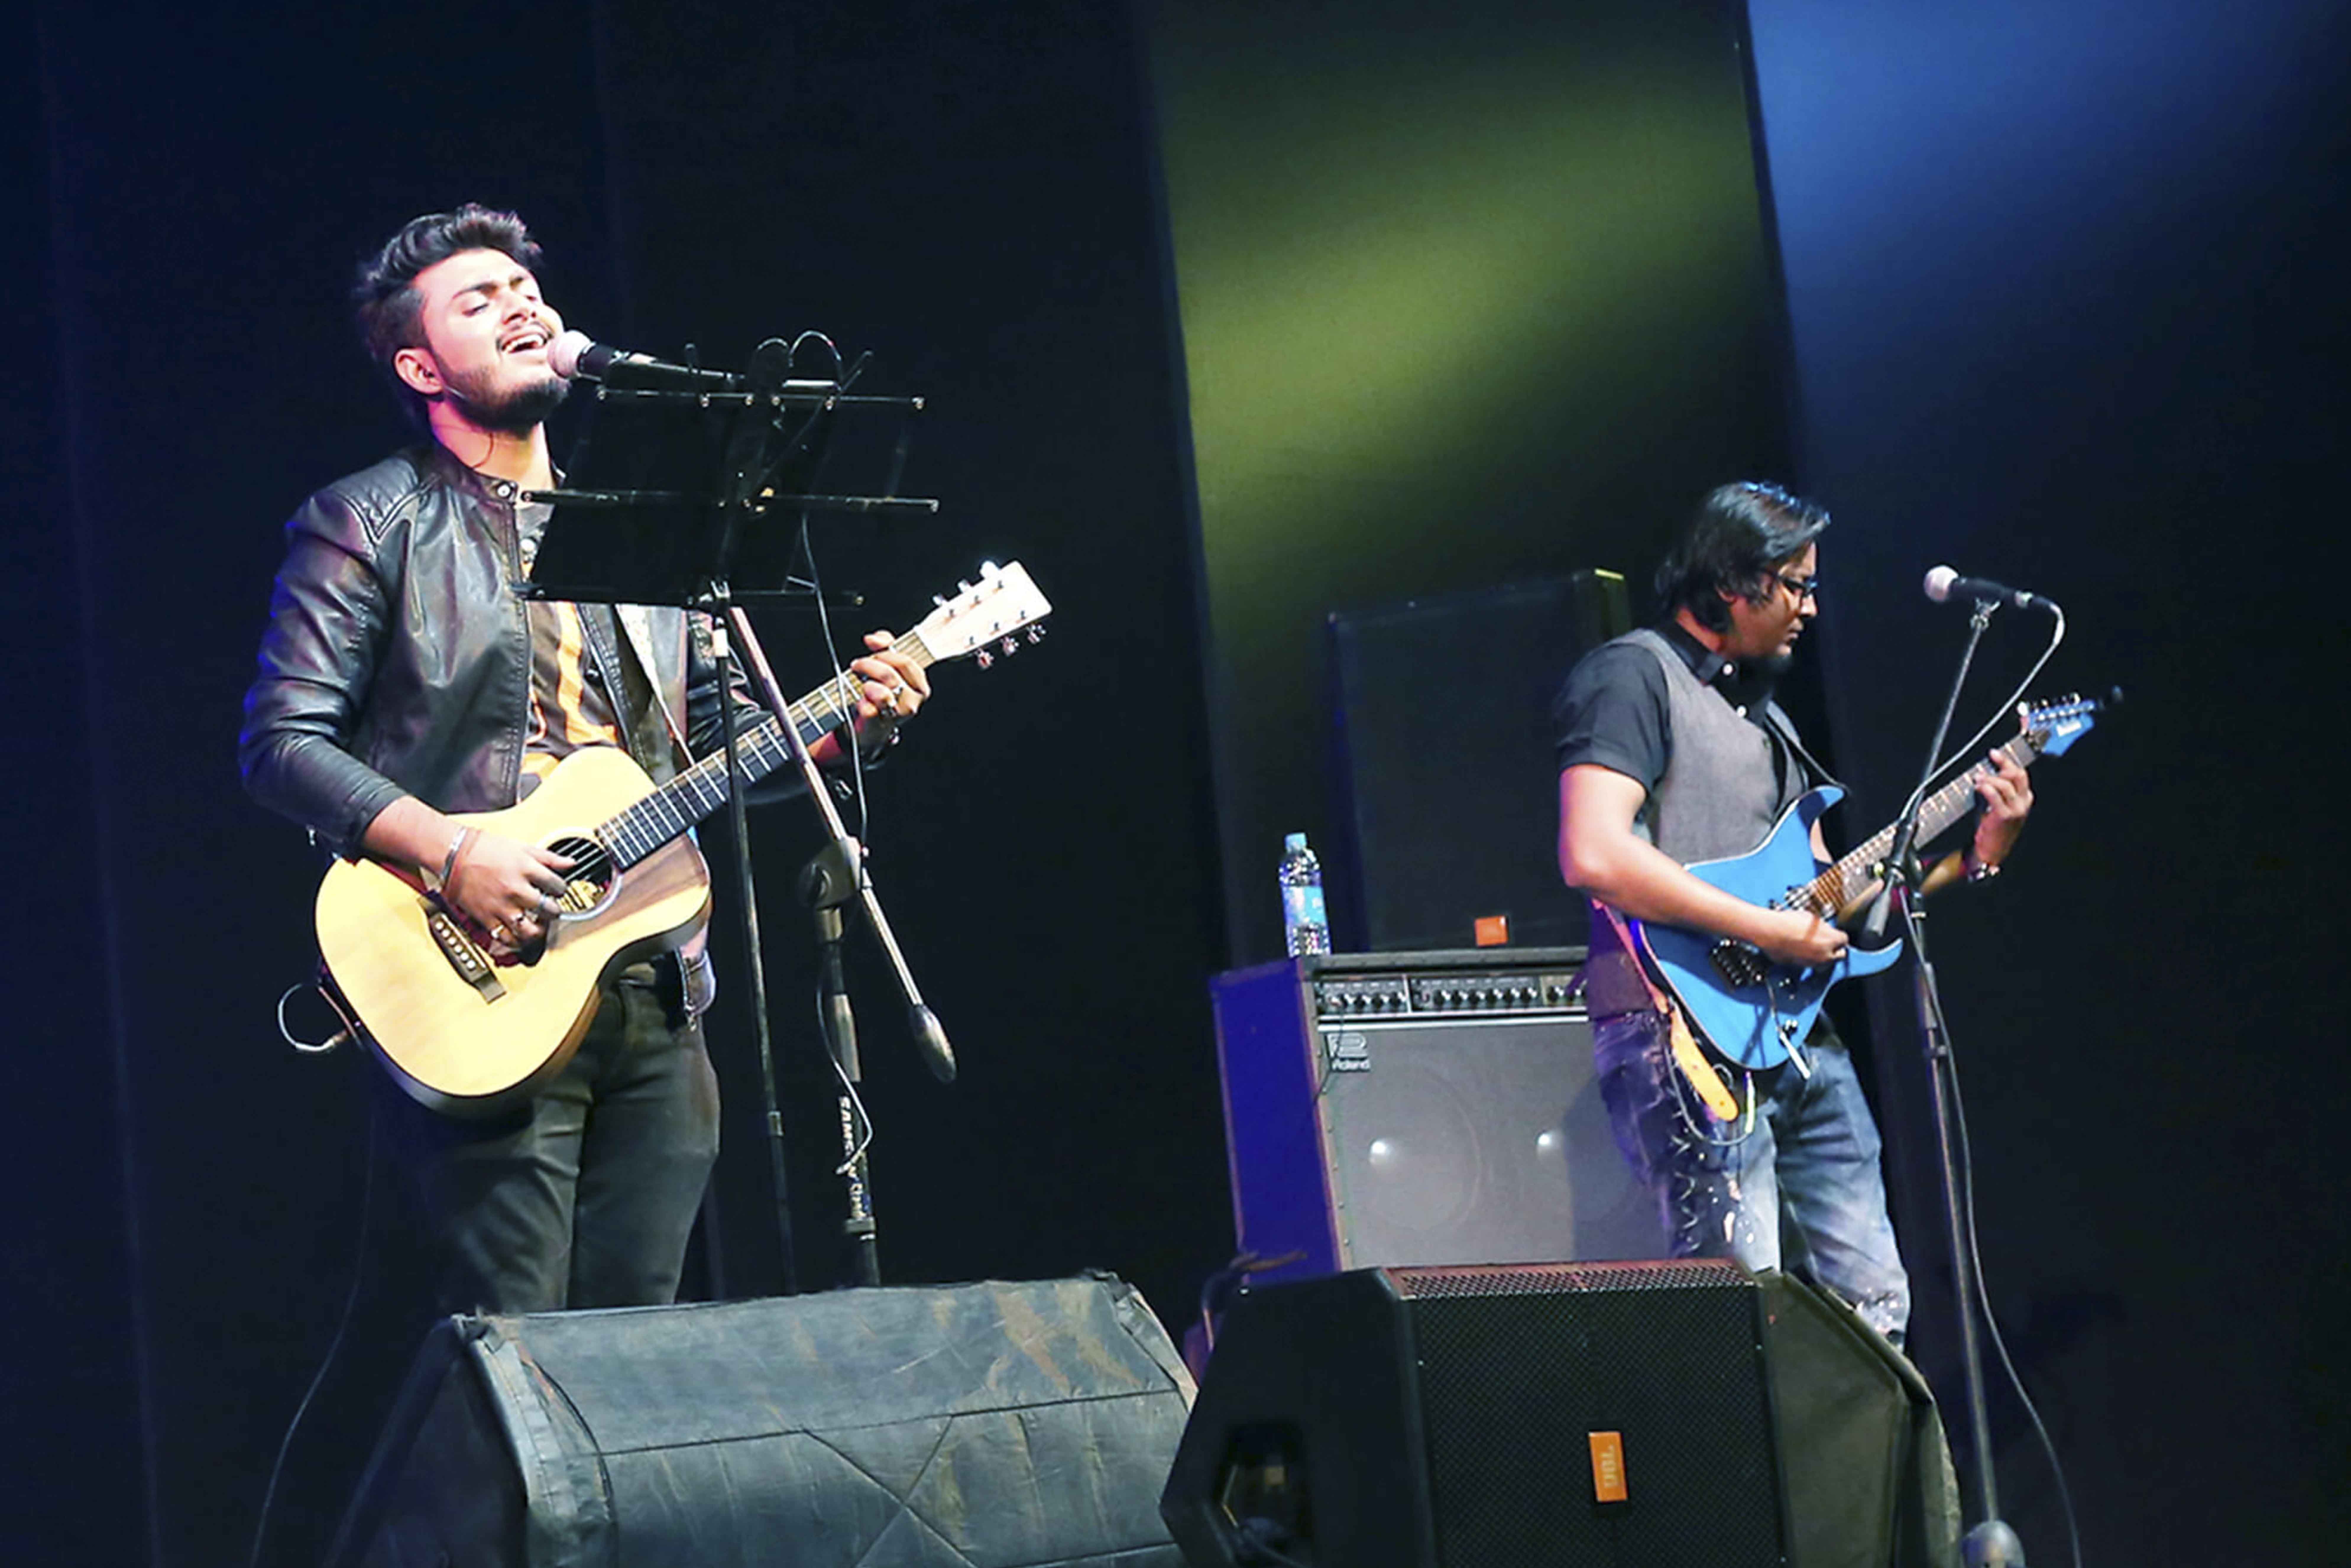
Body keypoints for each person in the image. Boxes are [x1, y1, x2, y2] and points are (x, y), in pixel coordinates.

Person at [239, 205, 930, 1314]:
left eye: (525, 291)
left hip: (654, 981)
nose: (519, 304)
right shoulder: (370, 521)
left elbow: (725, 745)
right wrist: (454, 853)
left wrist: (855, 721)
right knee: (519, 1356)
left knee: (641, 1352)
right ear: (421, 364)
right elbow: (280, 745)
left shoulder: (642, 528)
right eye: (480, 301)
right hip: (484, 971)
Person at [1552, 482, 2030, 1345]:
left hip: (1799, 1039)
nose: (1811, 608)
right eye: (1797, 585)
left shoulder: (1767, 719)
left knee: (1875, 1310)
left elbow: (1844, 903)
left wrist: (1977, 857)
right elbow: (1594, 854)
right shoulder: (1633, 677)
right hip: (1683, 1042)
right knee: (1743, 1320)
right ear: (1735, 583)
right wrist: (1769, 930)